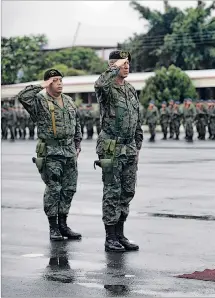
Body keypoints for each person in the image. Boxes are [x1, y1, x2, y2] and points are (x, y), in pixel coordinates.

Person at [16, 69, 82, 241]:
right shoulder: (39, 101)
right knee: (54, 189)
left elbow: (76, 122)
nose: (59, 83)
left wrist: (77, 144)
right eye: (55, 80)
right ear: (47, 83)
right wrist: (42, 85)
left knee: (69, 189)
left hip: (69, 152)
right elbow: (23, 96)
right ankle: (53, 227)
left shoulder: (68, 101)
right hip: (51, 152)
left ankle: (63, 224)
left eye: (61, 80)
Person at [94, 50, 143, 252]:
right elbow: (99, 84)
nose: (127, 66)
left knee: (127, 192)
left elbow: (136, 118)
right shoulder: (106, 89)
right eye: (122, 63)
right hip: (111, 147)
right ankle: (110, 237)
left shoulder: (130, 89)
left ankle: (120, 234)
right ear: (113, 65)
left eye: (128, 62)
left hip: (129, 147)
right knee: (112, 192)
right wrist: (112, 69)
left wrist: (137, 145)